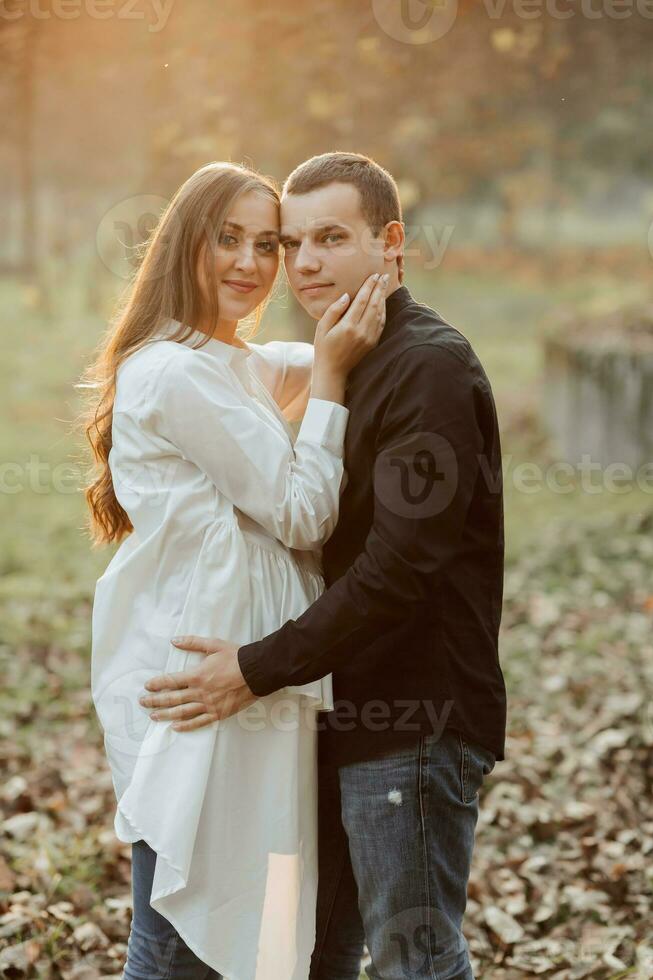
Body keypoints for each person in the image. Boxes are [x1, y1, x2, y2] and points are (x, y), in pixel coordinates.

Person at [142, 152, 508, 980]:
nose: (303, 264)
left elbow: (399, 570)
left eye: (331, 238)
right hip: (335, 717)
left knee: (414, 957)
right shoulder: (346, 357)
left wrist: (257, 668)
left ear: (392, 244)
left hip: (412, 718)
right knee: (314, 957)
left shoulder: (428, 366)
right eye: (292, 241)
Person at [82, 159, 388, 979]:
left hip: (256, 679)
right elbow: (300, 511)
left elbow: (285, 357)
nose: (251, 264)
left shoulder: (222, 362)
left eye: (269, 244)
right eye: (228, 239)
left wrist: (345, 326)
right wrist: (328, 376)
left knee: (252, 929)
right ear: (186, 241)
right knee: (174, 940)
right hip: (202, 681)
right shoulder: (177, 372)